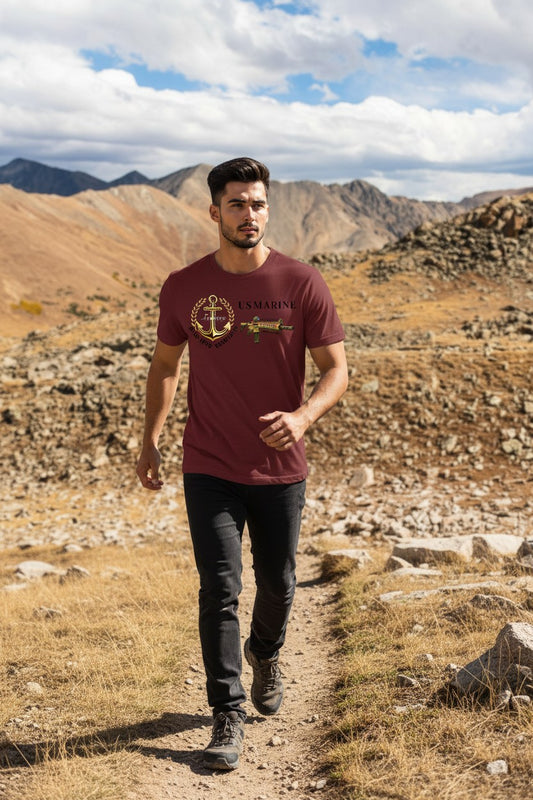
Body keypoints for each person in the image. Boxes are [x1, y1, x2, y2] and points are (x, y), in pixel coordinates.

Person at [136, 157, 348, 770]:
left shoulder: (301, 283)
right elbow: (165, 367)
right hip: (208, 464)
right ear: (214, 212)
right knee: (220, 588)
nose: (248, 214)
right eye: (236, 204)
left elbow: (337, 370)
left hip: (282, 468)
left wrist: (303, 417)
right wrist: (150, 438)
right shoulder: (184, 286)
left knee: (279, 582)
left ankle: (266, 651)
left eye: (257, 204)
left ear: (266, 210)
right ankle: (226, 714)